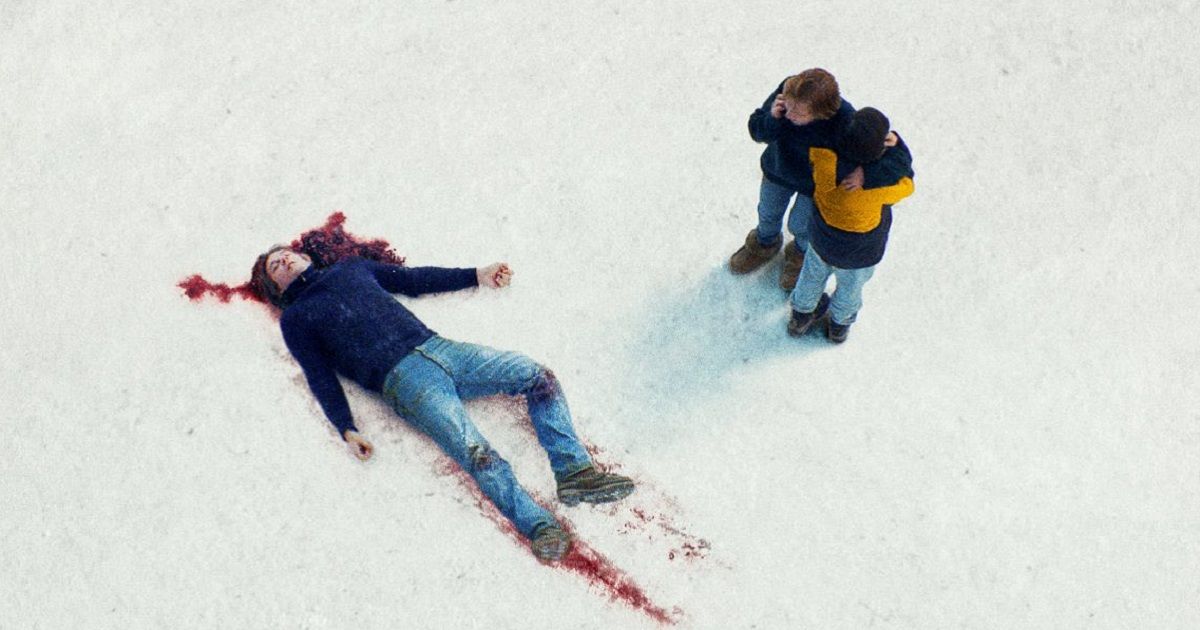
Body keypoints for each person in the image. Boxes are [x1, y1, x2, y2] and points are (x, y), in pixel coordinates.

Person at [248, 246, 635, 562]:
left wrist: (477, 275)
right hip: (403, 381)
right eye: (275, 266)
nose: (284, 260)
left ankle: (576, 474)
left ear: (307, 256)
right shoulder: (296, 319)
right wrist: (345, 427)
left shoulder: (351, 270)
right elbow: (319, 375)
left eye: (287, 254)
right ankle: (540, 527)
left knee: (537, 376)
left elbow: (414, 280)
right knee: (476, 452)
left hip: (442, 349)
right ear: (276, 288)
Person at [786, 107, 915, 343]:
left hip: (822, 241)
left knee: (812, 276)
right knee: (850, 288)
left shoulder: (824, 160)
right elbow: (907, 184)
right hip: (860, 253)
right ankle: (839, 326)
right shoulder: (877, 188)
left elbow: (821, 145)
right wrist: (895, 151)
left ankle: (800, 315)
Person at [731, 68, 857, 291]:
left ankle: (799, 254)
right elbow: (758, 131)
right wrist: (772, 118)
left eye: (798, 114)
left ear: (822, 113)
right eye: (788, 107)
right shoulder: (789, 92)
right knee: (768, 211)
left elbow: (855, 156)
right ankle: (764, 243)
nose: (789, 115)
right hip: (778, 170)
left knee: (802, 224)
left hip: (814, 185)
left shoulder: (844, 119)